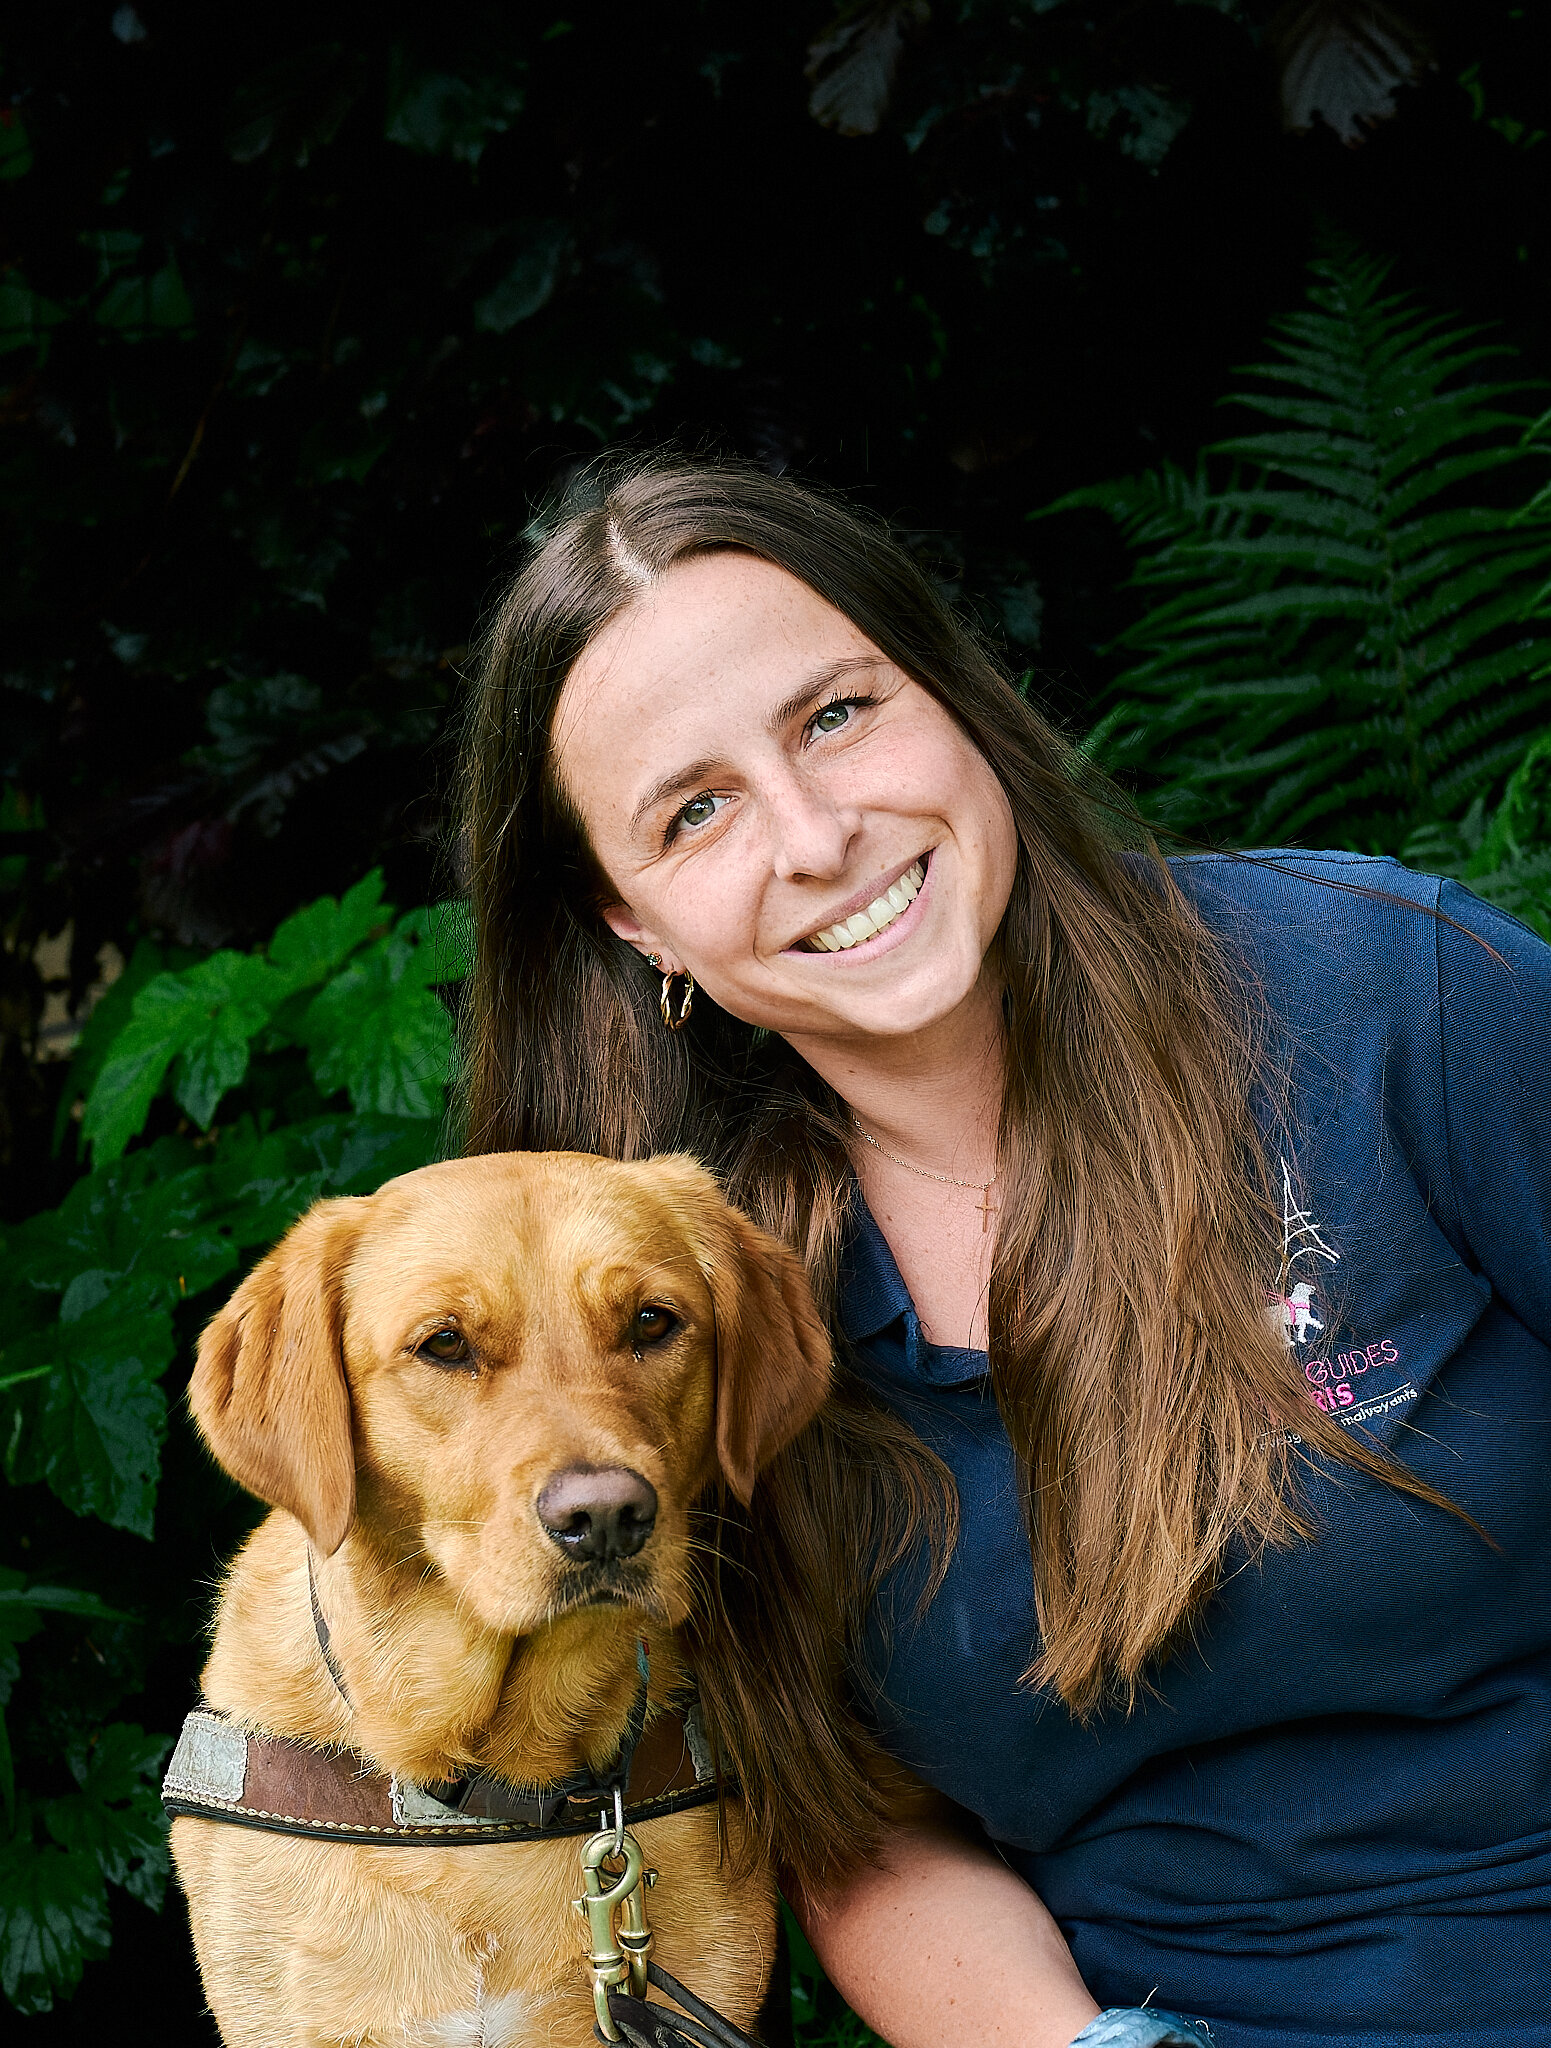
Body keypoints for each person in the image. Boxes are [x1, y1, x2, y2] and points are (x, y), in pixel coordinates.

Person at [454, 453, 1551, 2048]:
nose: (817, 834)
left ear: (951, 691)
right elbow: (858, 1827)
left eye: (837, 715)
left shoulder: (1391, 999)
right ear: (633, 926)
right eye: (698, 813)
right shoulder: (677, 1309)